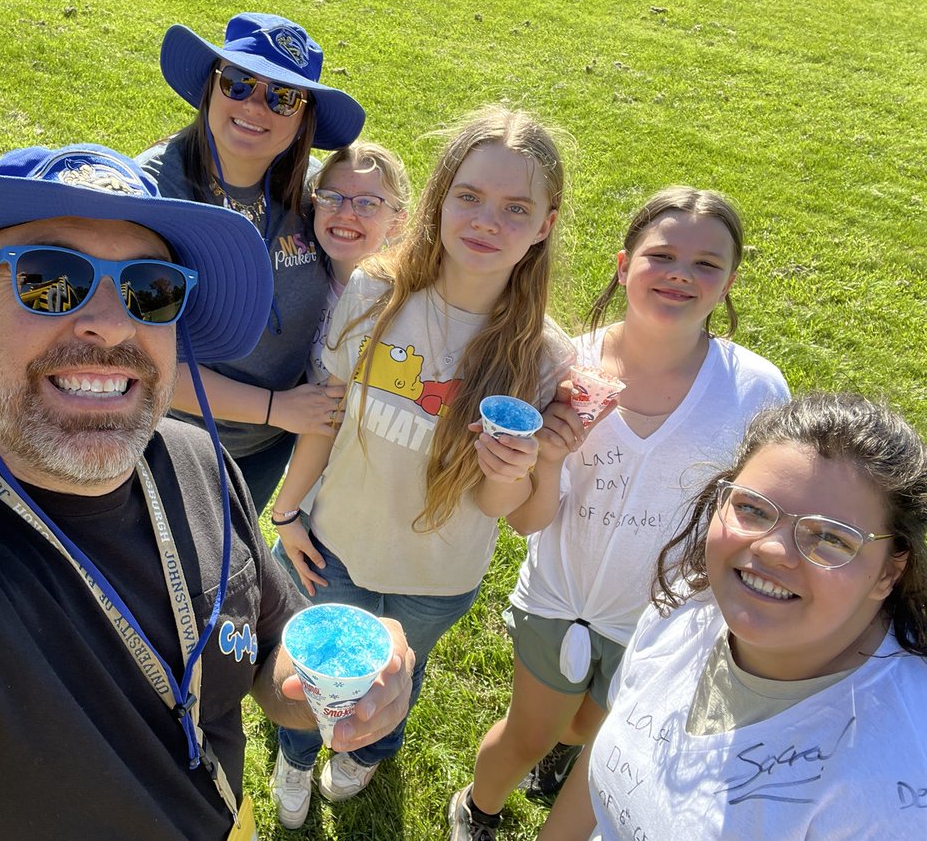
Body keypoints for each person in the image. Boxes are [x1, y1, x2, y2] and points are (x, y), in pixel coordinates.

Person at [0, 145, 415, 841]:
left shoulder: (200, 465)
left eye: (151, 289)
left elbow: (266, 654)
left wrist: (330, 678)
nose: (111, 325)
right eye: (50, 281)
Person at [265, 105, 577, 830]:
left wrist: (514, 465)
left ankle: (365, 757)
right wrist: (287, 513)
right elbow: (327, 416)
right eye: (469, 196)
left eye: (515, 208)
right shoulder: (375, 293)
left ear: (546, 224)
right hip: (336, 547)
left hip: (437, 581)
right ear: (439, 199)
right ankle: (295, 756)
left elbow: (513, 512)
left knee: (393, 684)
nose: (486, 220)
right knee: (312, 680)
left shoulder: (544, 356)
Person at [450, 187, 790, 840]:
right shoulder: (561, 365)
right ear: (622, 263)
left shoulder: (754, 390)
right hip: (560, 599)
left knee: (595, 741)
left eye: (706, 264)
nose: (680, 275)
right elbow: (526, 521)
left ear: (730, 281)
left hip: (665, 623)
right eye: (661, 255)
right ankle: (477, 809)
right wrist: (547, 459)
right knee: (527, 736)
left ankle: (566, 749)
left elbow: (756, 514)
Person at [541, 392, 927, 839]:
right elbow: (606, 755)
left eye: (832, 538)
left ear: (889, 572)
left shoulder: (897, 788)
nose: (770, 549)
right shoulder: (687, 605)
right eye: (752, 509)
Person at [137, 12, 365, 510]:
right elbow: (140, 356)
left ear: (304, 118)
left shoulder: (317, 192)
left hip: (267, 448)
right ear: (211, 87)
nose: (255, 106)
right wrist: (275, 408)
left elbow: (392, 243)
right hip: (166, 445)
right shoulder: (157, 194)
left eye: (283, 96)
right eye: (239, 82)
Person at [306, 140, 410, 385]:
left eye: (367, 203)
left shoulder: (403, 301)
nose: (344, 214)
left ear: (396, 222)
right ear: (314, 203)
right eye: (331, 198)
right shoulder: (301, 272)